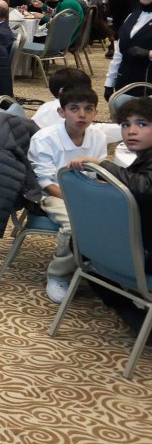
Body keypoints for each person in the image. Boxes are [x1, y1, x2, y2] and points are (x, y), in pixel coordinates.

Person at [74, 97, 152, 332]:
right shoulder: (143, 158)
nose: (131, 131)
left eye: (142, 124)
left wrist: (103, 165)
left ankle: (127, 309)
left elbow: (145, 187)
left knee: (81, 243)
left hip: (143, 253)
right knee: (78, 241)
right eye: (126, 125)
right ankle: (130, 311)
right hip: (138, 247)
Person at [28, 86, 109, 303]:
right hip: (53, 194)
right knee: (75, 225)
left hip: (86, 191)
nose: (82, 115)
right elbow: (44, 182)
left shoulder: (98, 136)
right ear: (61, 112)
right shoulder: (45, 138)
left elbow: (98, 173)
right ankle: (58, 274)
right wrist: (77, 199)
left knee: (121, 217)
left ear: (96, 113)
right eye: (74, 109)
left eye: (88, 109)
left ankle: (102, 267)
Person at [105, 0, 152, 100]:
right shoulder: (131, 16)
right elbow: (118, 52)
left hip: (147, 87)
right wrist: (109, 83)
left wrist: (148, 53)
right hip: (124, 85)